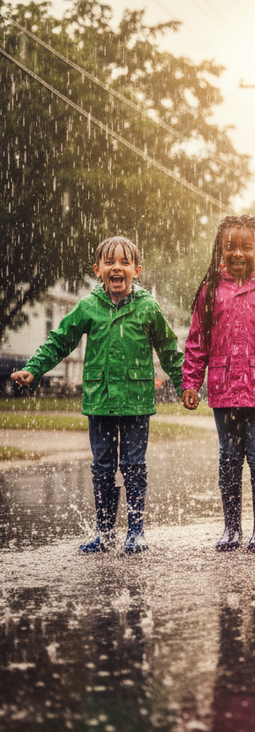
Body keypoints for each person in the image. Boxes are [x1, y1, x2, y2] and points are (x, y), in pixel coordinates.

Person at [11, 236, 183, 554]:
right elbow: (60, 340)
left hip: (136, 401)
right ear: (97, 269)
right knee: (102, 467)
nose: (116, 267)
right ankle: (104, 533)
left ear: (136, 270)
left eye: (124, 262)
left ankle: (135, 531)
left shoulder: (148, 308)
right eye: (109, 262)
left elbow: (169, 350)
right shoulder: (89, 306)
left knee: (134, 465)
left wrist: (185, 385)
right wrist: (34, 369)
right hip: (99, 399)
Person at [182, 214, 255, 553]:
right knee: (229, 458)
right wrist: (191, 380)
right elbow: (197, 340)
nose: (237, 253)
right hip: (223, 389)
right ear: (220, 249)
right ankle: (231, 528)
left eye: (246, 247)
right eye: (230, 247)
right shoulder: (210, 289)